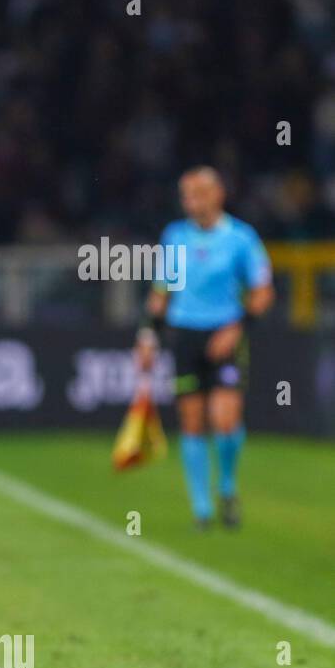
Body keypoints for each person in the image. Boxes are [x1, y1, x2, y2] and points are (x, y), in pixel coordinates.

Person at [136, 167, 274, 529]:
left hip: (225, 333)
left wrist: (238, 327)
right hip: (185, 334)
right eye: (186, 195)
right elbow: (161, 291)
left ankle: (226, 483)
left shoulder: (241, 238)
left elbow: (262, 292)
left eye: (197, 194)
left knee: (225, 419)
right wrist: (148, 335)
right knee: (192, 422)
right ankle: (202, 508)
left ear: (217, 195)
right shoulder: (175, 236)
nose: (190, 202)